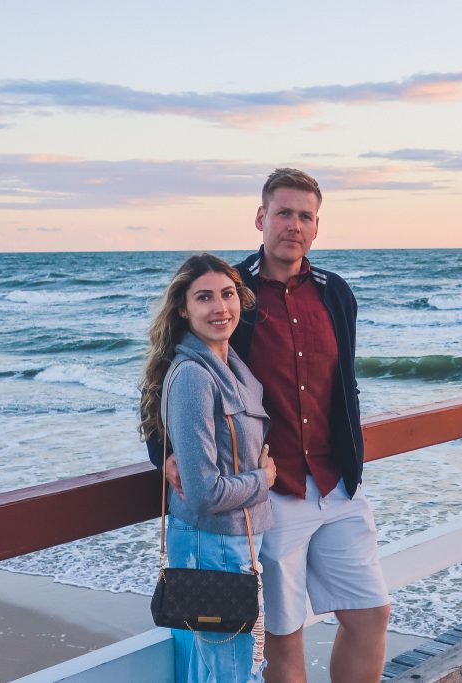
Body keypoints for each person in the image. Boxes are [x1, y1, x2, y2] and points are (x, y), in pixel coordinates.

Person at [151, 169, 391, 682]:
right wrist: (163, 451)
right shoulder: (232, 293)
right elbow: (172, 375)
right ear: (261, 218)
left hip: (337, 484)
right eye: (283, 213)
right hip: (269, 495)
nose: (294, 225)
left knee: (371, 613)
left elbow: (343, 384)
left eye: (306, 216)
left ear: (317, 227)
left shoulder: (335, 293)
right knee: (284, 636)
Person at [140, 253, 278, 683]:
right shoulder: (195, 377)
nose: (220, 308)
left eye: (228, 294)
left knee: (223, 670)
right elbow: (203, 493)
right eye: (204, 298)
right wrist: (265, 479)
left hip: (234, 545)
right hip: (213, 547)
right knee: (232, 675)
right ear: (184, 308)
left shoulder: (229, 363)